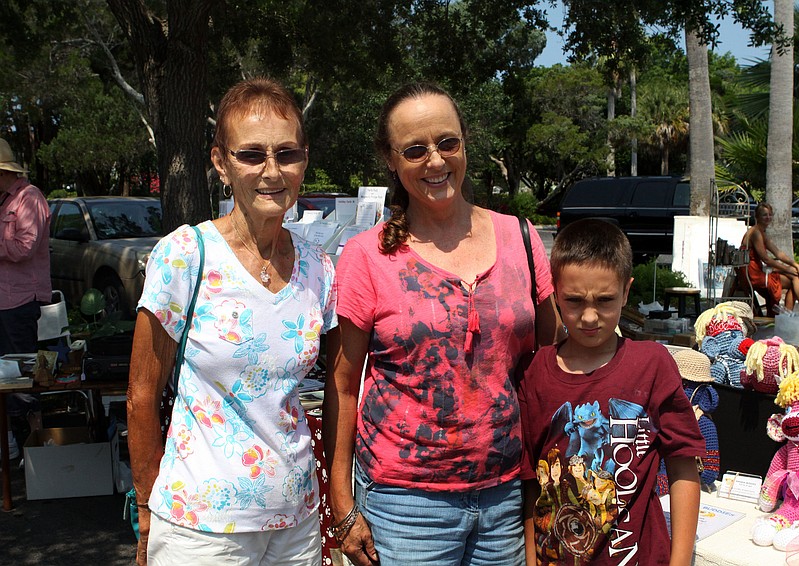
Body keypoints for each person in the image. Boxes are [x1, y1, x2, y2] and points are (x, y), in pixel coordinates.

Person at [323, 82, 562, 566]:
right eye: (415, 149)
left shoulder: (519, 237)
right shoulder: (367, 256)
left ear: (465, 142)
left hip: (504, 499)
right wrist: (342, 501)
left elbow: (551, 352)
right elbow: (343, 386)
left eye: (447, 143)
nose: (435, 161)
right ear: (390, 160)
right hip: (404, 506)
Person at [127, 77, 337, 566]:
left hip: (296, 523)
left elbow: (340, 389)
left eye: (287, 154)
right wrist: (145, 508)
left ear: (304, 160)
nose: (272, 171)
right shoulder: (185, 255)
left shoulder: (319, 268)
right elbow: (141, 393)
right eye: (252, 155)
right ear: (221, 162)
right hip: (201, 529)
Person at [517, 219, 703, 565]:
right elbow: (530, 486)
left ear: (627, 292)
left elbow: (683, 467)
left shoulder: (652, 365)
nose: (589, 317)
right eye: (573, 301)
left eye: (605, 300)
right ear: (554, 292)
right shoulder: (533, 374)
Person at [0, 137, 48, 457]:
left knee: (20, 377)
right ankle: (18, 445)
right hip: (6, 300)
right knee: (7, 375)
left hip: (18, 302)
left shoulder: (28, 198)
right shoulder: (6, 200)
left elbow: (24, 248)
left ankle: (34, 447)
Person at [740, 202, 799, 316]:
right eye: (764, 215)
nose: (768, 217)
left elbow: (778, 254)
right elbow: (766, 259)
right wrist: (788, 269)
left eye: (769, 214)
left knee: (796, 276)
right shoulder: (756, 233)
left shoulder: (761, 233)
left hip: (758, 271)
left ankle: (789, 314)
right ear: (757, 217)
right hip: (753, 274)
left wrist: (796, 266)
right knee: (795, 278)